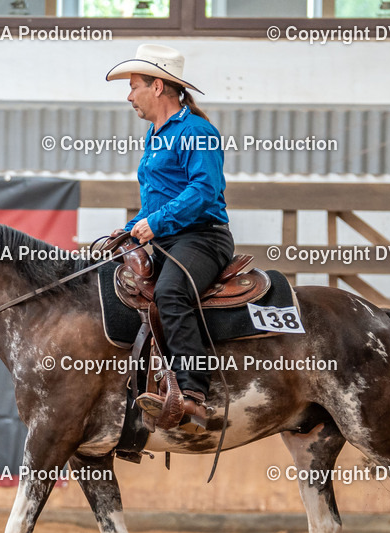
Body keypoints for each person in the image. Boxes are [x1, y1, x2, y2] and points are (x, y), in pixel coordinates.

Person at [106, 44, 235, 433]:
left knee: (171, 293)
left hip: (203, 238)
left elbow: (203, 190)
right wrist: (133, 227)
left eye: (134, 87)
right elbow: (160, 196)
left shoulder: (197, 131)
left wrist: (155, 222)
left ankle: (194, 395)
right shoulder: (154, 134)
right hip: (168, 239)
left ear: (158, 86)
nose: (129, 96)